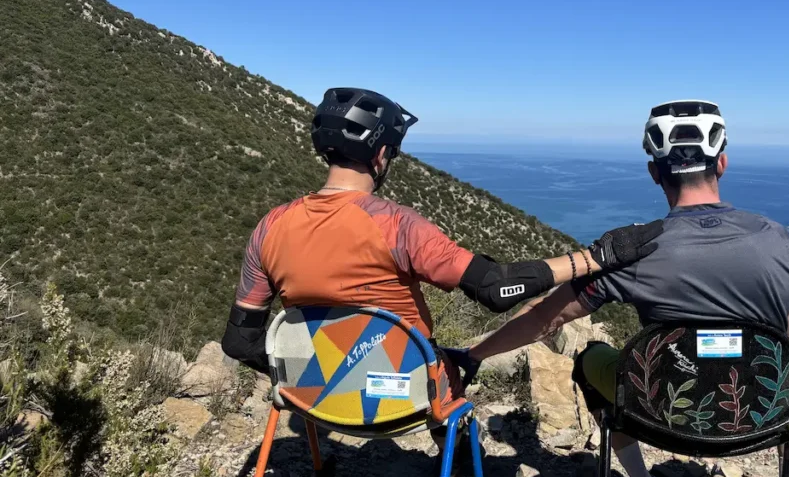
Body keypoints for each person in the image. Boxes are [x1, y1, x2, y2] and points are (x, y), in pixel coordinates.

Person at [461, 100, 789, 477]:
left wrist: (474, 355)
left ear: (654, 173)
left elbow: (547, 318)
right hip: (759, 416)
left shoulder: (634, 253)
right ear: (722, 163)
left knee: (589, 361)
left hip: (662, 412)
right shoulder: (779, 240)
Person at [222, 87, 663, 417]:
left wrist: (306, 378)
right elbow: (496, 288)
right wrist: (593, 259)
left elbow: (240, 341)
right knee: (443, 363)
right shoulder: (397, 226)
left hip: (312, 396)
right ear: (381, 154)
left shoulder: (270, 227)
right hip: (404, 393)